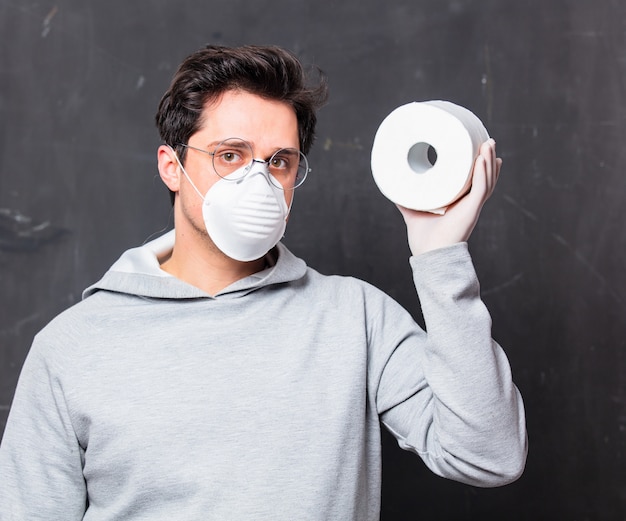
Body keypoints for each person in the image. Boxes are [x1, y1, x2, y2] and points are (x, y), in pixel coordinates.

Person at [0, 44, 527, 520]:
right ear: (171, 166)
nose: (258, 181)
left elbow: (489, 455)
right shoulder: (72, 347)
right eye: (230, 155)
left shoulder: (356, 320)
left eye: (279, 162)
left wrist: (441, 257)